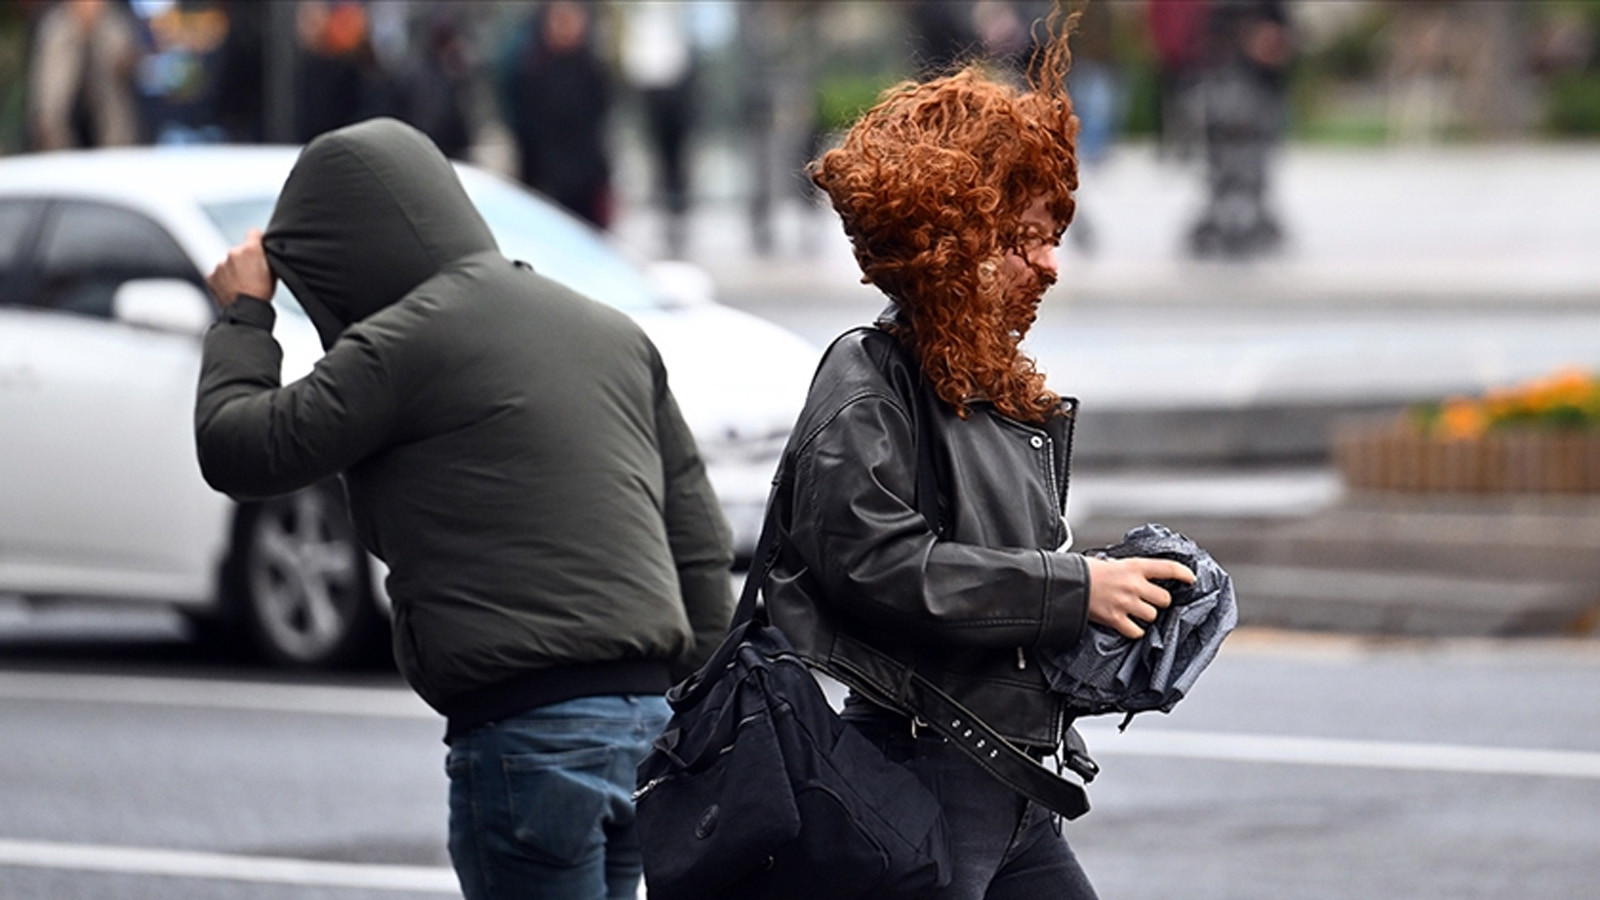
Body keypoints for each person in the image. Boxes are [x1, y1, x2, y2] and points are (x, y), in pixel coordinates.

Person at [193, 117, 734, 900]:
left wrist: (247, 313)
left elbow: (239, 448)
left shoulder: (403, 344)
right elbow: (697, 535)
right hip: (645, 724)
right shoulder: (609, 331)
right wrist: (683, 707)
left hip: (526, 733)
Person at [760, 9, 1194, 900]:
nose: (1048, 265)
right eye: (1024, 238)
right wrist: (1079, 591)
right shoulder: (869, 376)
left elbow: (995, 574)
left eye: (1054, 238)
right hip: (922, 776)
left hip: (1014, 785)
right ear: (951, 235)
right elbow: (877, 566)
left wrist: (1117, 591)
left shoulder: (990, 380)